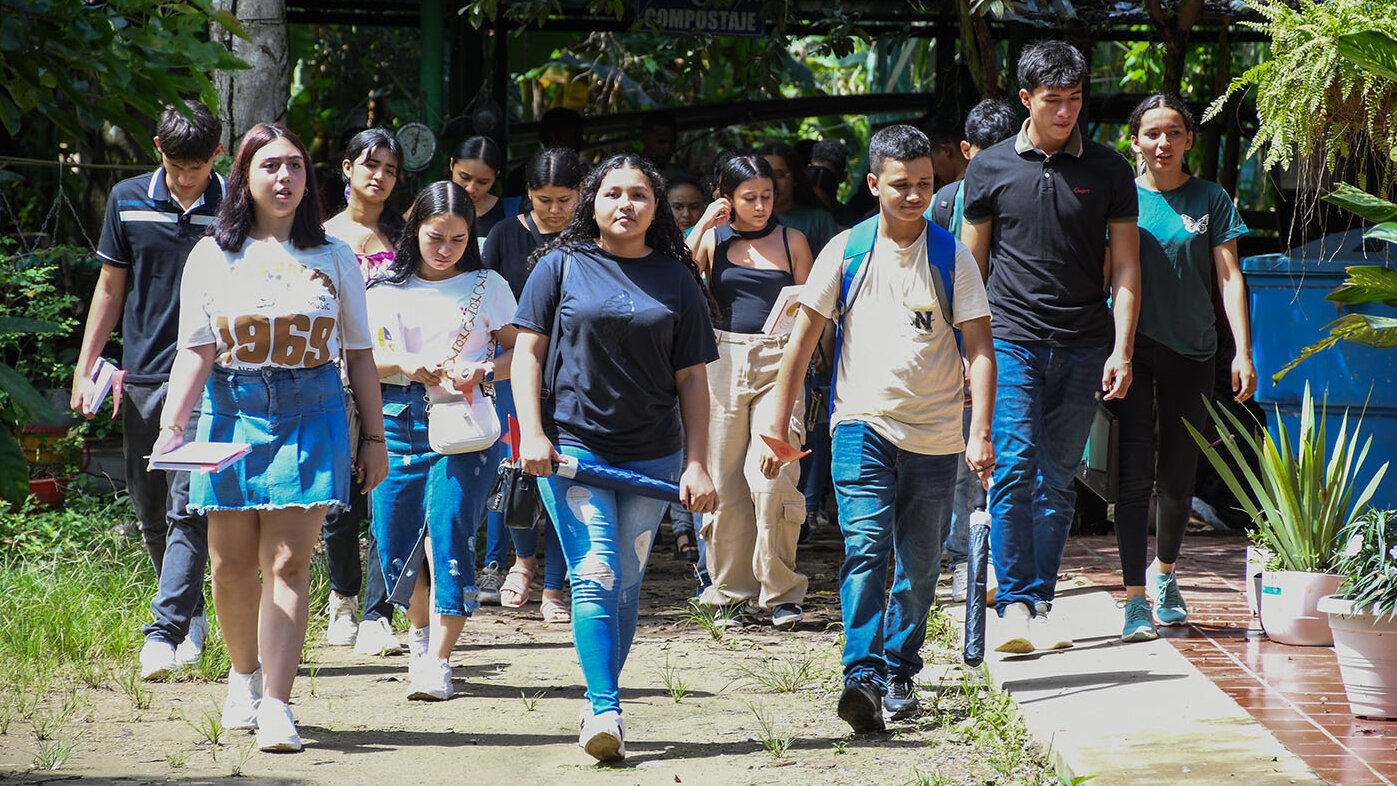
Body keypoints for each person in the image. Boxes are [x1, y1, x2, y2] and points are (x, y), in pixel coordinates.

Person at [152, 123, 389, 752]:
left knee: (288, 561)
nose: (284, 178)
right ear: (245, 178)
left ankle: (279, 706)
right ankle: (244, 675)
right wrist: (173, 426)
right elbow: (194, 351)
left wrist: (374, 439)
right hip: (230, 410)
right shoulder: (213, 253)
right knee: (229, 566)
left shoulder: (336, 256)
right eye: (269, 167)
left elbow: (361, 355)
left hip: (313, 408)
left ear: (309, 177)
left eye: (295, 166)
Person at [759, 125, 995, 732]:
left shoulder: (953, 256)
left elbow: (980, 351)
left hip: (938, 437)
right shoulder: (846, 249)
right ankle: (859, 674)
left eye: (924, 184)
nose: (914, 195)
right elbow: (801, 340)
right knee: (866, 549)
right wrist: (780, 424)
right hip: (860, 425)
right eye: (900, 186)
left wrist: (980, 430)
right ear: (873, 185)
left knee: (919, 567)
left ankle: (898, 668)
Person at [512, 154, 719, 762]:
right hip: (573, 448)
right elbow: (526, 353)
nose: (625, 204)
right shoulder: (559, 266)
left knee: (625, 583)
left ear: (656, 209)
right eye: (612, 194)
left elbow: (693, 380)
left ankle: (603, 698)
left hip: (655, 455)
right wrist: (531, 432)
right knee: (596, 572)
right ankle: (605, 707)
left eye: (639, 196)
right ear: (591, 203)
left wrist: (698, 462)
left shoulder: (679, 280)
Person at [960, 41, 1141, 653]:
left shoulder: (1111, 169)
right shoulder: (987, 168)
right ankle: (1011, 602)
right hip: (1010, 338)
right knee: (1012, 466)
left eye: (1075, 100)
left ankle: (1037, 600)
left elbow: (1126, 267)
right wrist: (966, 353)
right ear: (1025, 100)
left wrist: (1123, 348)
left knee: (1059, 477)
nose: (1066, 112)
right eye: (1053, 101)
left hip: (1086, 342)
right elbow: (969, 267)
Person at [71, 99, 224, 681]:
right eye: (177, 165)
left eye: (198, 165)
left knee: (189, 505)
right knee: (150, 507)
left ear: (217, 154)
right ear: (158, 152)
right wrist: (86, 367)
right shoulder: (127, 199)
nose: (188, 177)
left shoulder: (234, 203)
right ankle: (193, 610)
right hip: (142, 376)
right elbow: (110, 287)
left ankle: (169, 628)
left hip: (211, 380)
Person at [367, 180, 518, 700]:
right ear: (415, 230)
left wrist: (484, 369)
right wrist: (409, 364)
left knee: (450, 534)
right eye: (436, 237)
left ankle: (438, 661)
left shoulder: (489, 285)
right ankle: (419, 633)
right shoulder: (384, 289)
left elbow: (521, 352)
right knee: (395, 543)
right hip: (397, 420)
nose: (446, 248)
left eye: (458, 238)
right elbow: (363, 359)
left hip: (467, 422)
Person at [1113, 93, 1254, 642]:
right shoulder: (1120, 197)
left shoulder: (1211, 199)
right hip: (1130, 351)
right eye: (1152, 133)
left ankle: (1166, 577)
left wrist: (1243, 351)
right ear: (1135, 141)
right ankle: (1132, 599)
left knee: (1177, 476)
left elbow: (1229, 277)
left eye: (1174, 132)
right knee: (1130, 476)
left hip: (1193, 352)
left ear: (1189, 139)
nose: (1163, 143)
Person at [687, 152, 814, 628]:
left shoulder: (792, 239)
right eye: (749, 198)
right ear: (727, 197)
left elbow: (814, 308)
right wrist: (703, 222)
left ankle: (781, 590)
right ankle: (728, 592)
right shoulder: (714, 240)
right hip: (721, 358)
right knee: (723, 480)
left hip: (780, 359)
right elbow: (675, 273)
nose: (761, 206)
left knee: (773, 474)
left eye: (767, 196)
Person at [481, 147, 586, 623]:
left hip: (575, 373)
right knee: (518, 468)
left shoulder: (590, 238)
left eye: (565, 199)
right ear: (527, 196)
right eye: (544, 199)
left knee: (566, 473)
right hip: (513, 369)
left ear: (581, 194)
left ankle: (556, 587)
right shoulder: (505, 234)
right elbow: (484, 296)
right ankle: (522, 563)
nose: (555, 209)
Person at [926, 98, 1018, 603]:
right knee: (962, 454)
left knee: (1003, 450)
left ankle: (991, 557)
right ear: (965, 151)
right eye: (983, 156)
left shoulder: (1028, 189)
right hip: (956, 343)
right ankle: (963, 556)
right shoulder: (944, 202)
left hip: (1011, 337)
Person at [320, 128, 408, 656]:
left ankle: (379, 614)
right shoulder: (320, 235)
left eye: (391, 169)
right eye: (370, 164)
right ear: (347, 168)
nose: (379, 176)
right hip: (330, 379)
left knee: (390, 500)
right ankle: (343, 597)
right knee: (340, 504)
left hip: (396, 379)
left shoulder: (409, 236)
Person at [759, 142, 839, 254]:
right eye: (766, 175)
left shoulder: (819, 220)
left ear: (795, 178)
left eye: (779, 175)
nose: (772, 182)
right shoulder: (750, 218)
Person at [449, 136, 521, 240]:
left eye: (483, 182)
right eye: (464, 177)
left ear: (495, 177)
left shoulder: (513, 211)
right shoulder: (429, 209)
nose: (471, 188)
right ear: (451, 165)